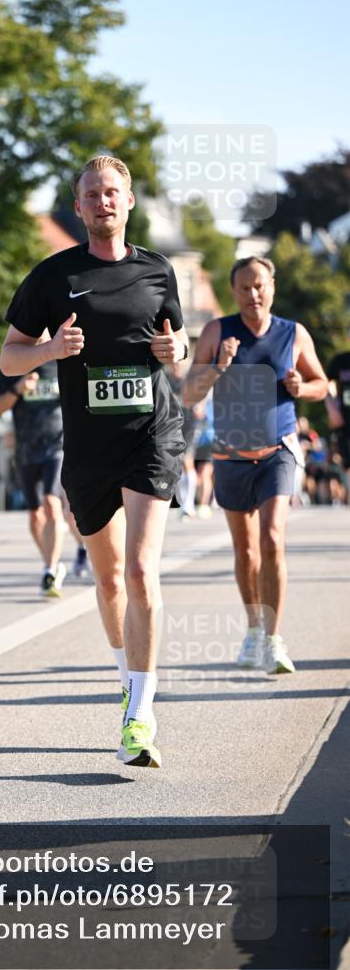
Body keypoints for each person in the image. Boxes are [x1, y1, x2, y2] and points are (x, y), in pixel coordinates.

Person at [0, 155, 188, 768]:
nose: (103, 201)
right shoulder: (53, 277)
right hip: (87, 446)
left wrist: (174, 347)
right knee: (107, 580)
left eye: (112, 192)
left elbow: (178, 344)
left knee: (139, 572)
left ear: (129, 201)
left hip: (150, 433)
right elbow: (8, 359)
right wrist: (51, 348)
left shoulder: (158, 272)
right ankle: (125, 673)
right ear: (78, 208)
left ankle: (140, 713)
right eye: (91, 194)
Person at [183, 256, 328, 673]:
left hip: (277, 451)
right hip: (230, 455)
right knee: (245, 551)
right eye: (245, 287)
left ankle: (274, 638)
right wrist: (218, 367)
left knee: (272, 540)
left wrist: (305, 386)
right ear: (234, 292)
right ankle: (252, 629)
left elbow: (321, 384)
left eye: (260, 285)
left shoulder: (293, 334)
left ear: (272, 287)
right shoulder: (217, 332)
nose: (253, 294)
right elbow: (189, 394)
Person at [0, 358, 90, 597]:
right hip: (26, 451)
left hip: (58, 447)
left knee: (52, 503)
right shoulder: (13, 363)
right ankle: (54, 561)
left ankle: (50, 570)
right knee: (35, 514)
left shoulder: (63, 362)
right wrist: (18, 389)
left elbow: (85, 399)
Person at [326, 346, 350, 497]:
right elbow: (326, 383)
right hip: (345, 418)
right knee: (348, 460)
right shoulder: (340, 361)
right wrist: (332, 408)